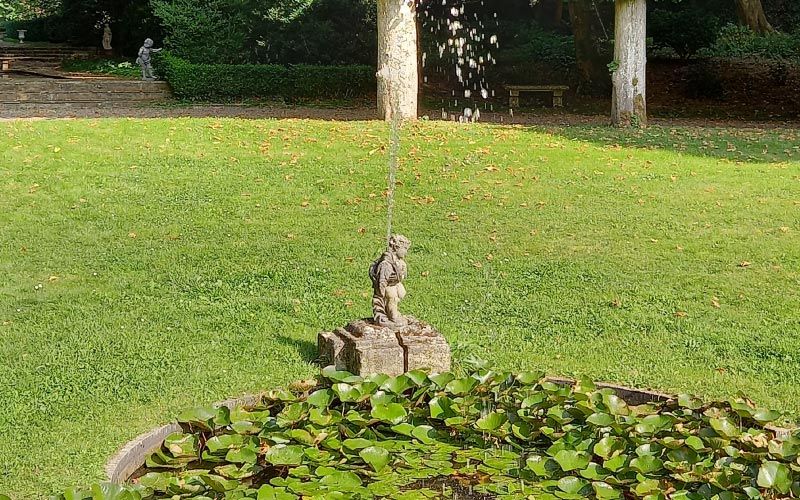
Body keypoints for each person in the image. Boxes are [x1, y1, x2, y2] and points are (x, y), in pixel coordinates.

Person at [369, 234, 411, 327]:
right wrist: (381, 293)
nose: (405, 252)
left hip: (396, 283)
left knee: (401, 293)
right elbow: (382, 280)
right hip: (389, 286)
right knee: (392, 297)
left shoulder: (399, 261)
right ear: (396, 248)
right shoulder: (386, 264)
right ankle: (392, 316)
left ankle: (392, 310)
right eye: (404, 249)